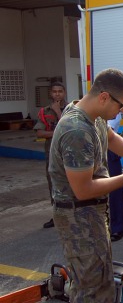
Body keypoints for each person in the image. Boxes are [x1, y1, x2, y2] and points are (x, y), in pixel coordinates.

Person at [49, 68, 123, 303]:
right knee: (88, 287)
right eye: (121, 105)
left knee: (102, 281)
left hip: (91, 212)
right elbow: (83, 189)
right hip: (77, 215)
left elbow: (110, 138)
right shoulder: (76, 130)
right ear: (104, 97)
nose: (122, 110)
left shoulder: (94, 117)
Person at [34, 81, 66, 229]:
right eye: (54, 91)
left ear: (64, 93)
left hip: (68, 153)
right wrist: (57, 132)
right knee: (53, 184)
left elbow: (68, 126)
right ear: (50, 93)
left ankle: (72, 215)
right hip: (51, 153)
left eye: (60, 91)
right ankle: (57, 215)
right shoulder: (44, 111)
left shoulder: (71, 109)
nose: (57, 94)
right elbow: (39, 132)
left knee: (71, 183)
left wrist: (59, 113)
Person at [107, 113, 123, 242]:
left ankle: (117, 228)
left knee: (114, 189)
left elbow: (109, 131)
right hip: (93, 148)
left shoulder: (113, 109)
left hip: (109, 148)